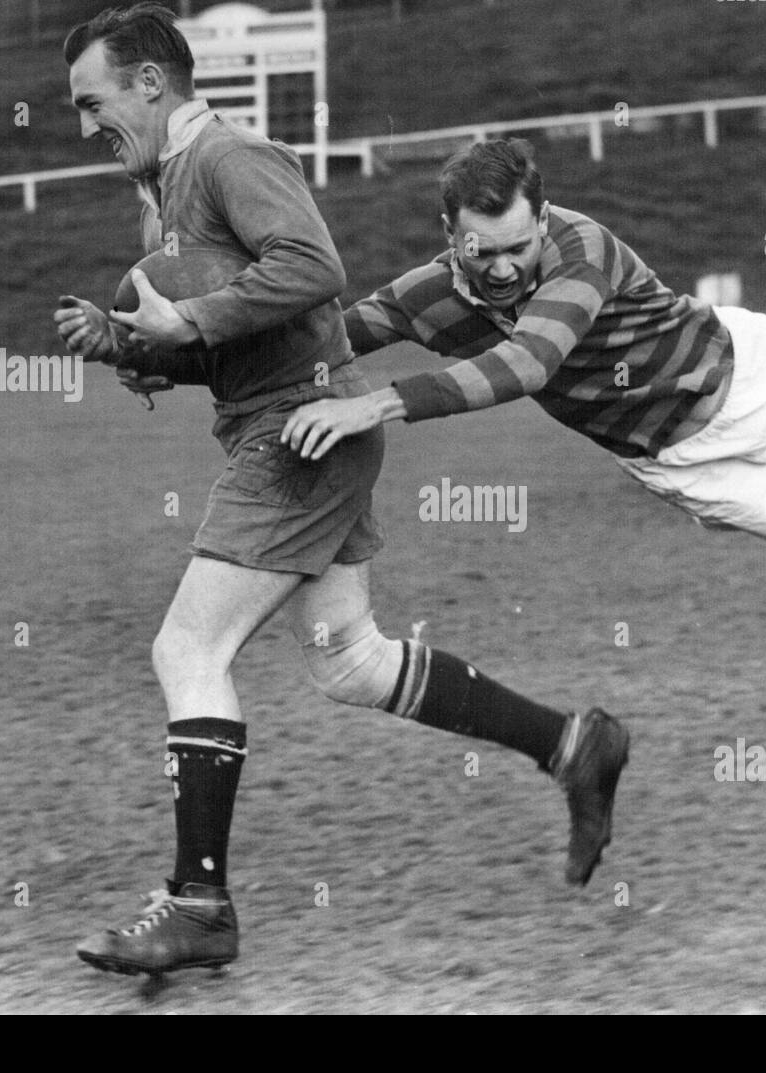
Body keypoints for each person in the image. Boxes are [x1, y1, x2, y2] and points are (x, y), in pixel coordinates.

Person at [53, 6, 629, 979]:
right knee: (349, 663)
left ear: (150, 84)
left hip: (297, 432)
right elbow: (261, 331)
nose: (82, 125)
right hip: (291, 415)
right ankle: (573, 743)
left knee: (187, 646)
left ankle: (199, 903)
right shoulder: (174, 185)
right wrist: (135, 343)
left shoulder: (227, 157)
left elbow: (314, 271)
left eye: (91, 101)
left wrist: (184, 319)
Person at [279, 138, 766, 617]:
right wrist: (181, 346)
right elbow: (328, 338)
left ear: (542, 220)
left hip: (746, 370)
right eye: (484, 252)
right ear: (450, 234)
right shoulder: (425, 296)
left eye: (519, 244)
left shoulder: (584, 249)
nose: (506, 265)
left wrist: (377, 405)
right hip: (677, 459)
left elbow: (528, 364)